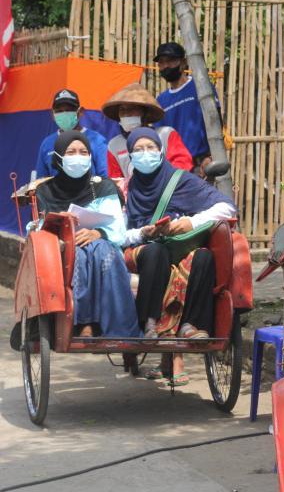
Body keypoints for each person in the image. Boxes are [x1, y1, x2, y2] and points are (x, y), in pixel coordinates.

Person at [123, 127, 236, 385]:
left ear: (161, 150)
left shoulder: (181, 180)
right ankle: (150, 323)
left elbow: (227, 207)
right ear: (130, 156)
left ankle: (192, 326)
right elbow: (119, 233)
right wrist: (143, 232)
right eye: (138, 150)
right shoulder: (128, 189)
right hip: (142, 249)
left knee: (204, 257)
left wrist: (190, 222)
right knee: (156, 252)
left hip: (180, 247)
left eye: (150, 148)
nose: (145, 154)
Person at [34, 130, 140, 338]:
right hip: (61, 248)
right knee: (79, 253)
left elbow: (118, 228)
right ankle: (84, 323)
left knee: (100, 249)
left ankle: (116, 327)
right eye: (71, 152)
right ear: (58, 156)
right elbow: (38, 228)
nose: (78, 157)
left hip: (102, 243)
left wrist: (98, 232)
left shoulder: (103, 186)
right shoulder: (45, 191)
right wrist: (60, 222)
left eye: (83, 152)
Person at [154, 42, 220, 176]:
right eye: (161, 62)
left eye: (170, 61)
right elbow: (160, 138)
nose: (166, 66)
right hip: (174, 171)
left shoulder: (201, 88)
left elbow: (216, 123)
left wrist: (211, 156)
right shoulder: (161, 101)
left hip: (202, 166)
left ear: (183, 62)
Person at [101, 83, 193, 179]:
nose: (126, 113)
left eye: (132, 108)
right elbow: (116, 179)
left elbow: (182, 163)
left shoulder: (166, 134)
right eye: (122, 110)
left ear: (145, 112)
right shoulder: (114, 145)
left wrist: (164, 182)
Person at [35, 89, 109, 178]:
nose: (64, 114)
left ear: (80, 112)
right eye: (59, 111)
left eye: (69, 110)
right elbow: (41, 180)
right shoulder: (47, 143)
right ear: (52, 114)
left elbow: (106, 178)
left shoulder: (97, 141)